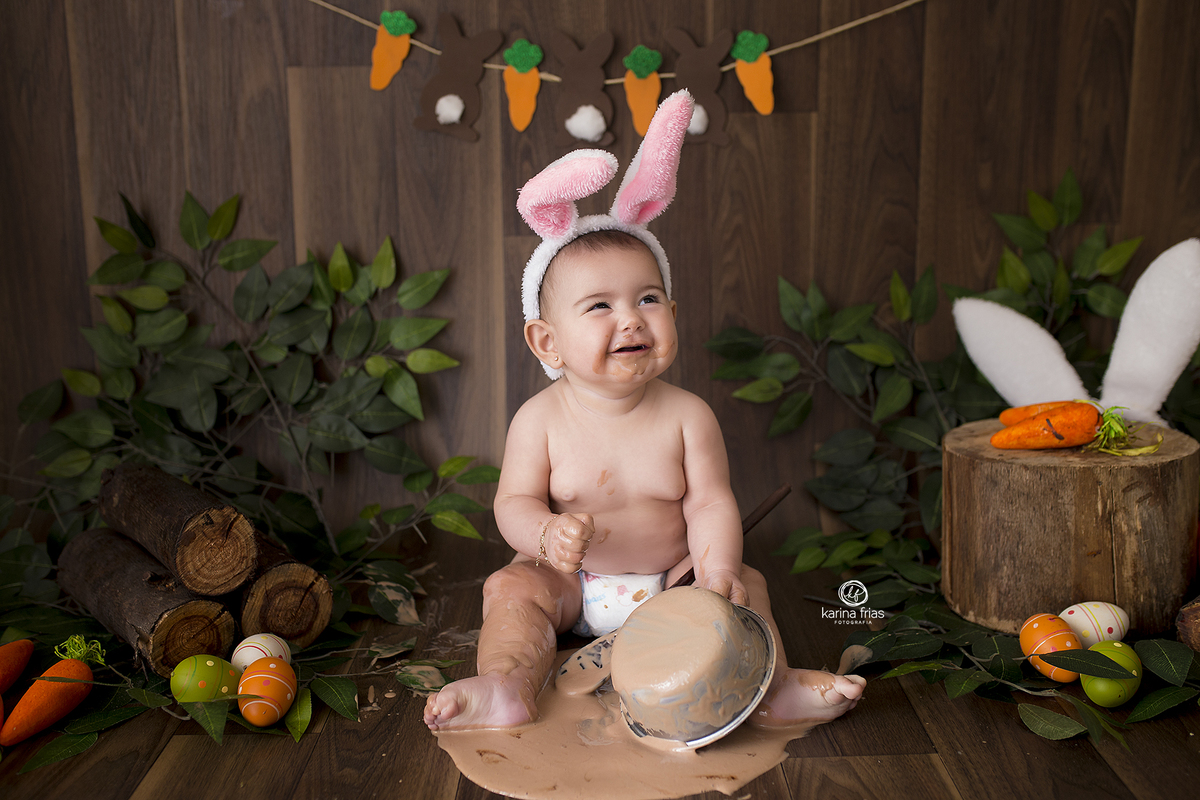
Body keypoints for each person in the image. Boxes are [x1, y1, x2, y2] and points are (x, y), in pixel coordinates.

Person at [424, 91, 865, 733]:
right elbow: (512, 504)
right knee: (509, 590)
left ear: (672, 317)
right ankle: (508, 684)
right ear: (547, 341)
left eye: (648, 298)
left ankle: (767, 689)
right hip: (573, 587)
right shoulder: (538, 421)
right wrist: (545, 535)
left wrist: (714, 573)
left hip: (675, 582)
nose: (630, 318)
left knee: (749, 585)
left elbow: (710, 503)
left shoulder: (687, 417)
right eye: (599, 306)